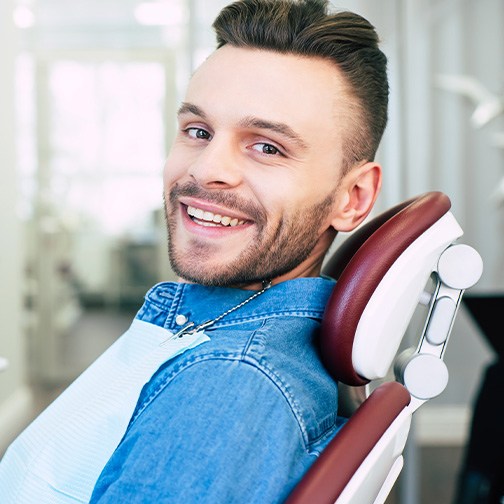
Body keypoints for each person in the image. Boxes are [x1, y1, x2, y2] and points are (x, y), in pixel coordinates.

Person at [0, 0, 388, 502]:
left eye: (267, 146)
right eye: (198, 132)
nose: (206, 170)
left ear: (351, 199)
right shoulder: (214, 334)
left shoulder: (228, 384)